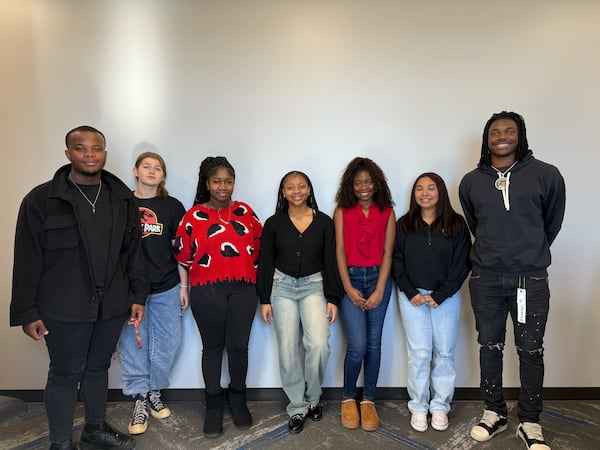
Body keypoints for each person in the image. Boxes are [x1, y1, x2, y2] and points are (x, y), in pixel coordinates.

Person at [10, 126, 148, 450]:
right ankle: (60, 443)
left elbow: (134, 252)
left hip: (111, 304)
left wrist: (138, 295)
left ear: (105, 153)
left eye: (96, 148)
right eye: (81, 148)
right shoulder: (41, 200)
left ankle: (94, 430)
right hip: (63, 307)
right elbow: (27, 259)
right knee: (64, 373)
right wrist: (27, 311)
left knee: (98, 368)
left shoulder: (121, 198)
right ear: (68, 153)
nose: (89, 154)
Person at [459, 111, 565, 450]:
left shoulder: (546, 175)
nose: (501, 136)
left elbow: (551, 223)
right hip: (486, 278)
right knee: (489, 347)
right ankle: (494, 412)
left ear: (521, 135)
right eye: (495, 132)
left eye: (509, 130)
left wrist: (527, 253)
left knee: (530, 350)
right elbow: (477, 224)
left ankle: (530, 421)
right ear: (486, 138)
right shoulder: (471, 181)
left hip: (529, 280)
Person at [173, 156, 262, 438]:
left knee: (238, 347)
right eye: (217, 181)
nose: (223, 186)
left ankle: (237, 398)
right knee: (212, 348)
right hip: (206, 290)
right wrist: (184, 289)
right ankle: (213, 404)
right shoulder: (192, 216)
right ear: (207, 184)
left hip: (244, 289)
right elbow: (182, 256)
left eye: (228, 180)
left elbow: (261, 248)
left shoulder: (246, 212)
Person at [257, 171, 343, 434]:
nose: (296, 191)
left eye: (301, 186)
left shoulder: (324, 222)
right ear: (283, 192)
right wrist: (264, 298)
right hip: (281, 287)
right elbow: (266, 262)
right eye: (290, 187)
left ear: (309, 190)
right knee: (287, 348)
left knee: (318, 344)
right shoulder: (273, 223)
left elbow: (331, 260)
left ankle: (313, 397)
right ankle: (297, 406)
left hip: (314, 286)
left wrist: (333, 297)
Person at [392, 172, 471, 433]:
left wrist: (440, 295)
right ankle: (418, 406)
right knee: (420, 353)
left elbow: (462, 264)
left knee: (445, 353)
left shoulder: (457, 224)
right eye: (419, 188)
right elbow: (396, 260)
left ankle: (439, 407)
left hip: (445, 298)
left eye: (431, 188)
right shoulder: (404, 224)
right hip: (411, 297)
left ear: (440, 192)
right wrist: (411, 291)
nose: (425, 193)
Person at [118, 152, 189, 435]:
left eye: (157, 168)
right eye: (146, 166)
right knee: (133, 344)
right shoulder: (122, 203)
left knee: (168, 342)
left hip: (166, 285)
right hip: (130, 289)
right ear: (135, 170)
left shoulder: (172, 206)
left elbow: (180, 250)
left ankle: (154, 391)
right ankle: (139, 398)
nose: (151, 171)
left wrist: (184, 286)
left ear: (163, 175)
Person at [334, 156, 396, 432]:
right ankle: (349, 396)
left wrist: (381, 288)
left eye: (368, 181)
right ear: (350, 185)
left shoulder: (387, 212)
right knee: (357, 345)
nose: (363, 187)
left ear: (377, 183)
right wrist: (348, 288)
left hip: (378, 278)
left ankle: (368, 399)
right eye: (358, 182)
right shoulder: (342, 211)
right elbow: (340, 251)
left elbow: (387, 253)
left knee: (374, 344)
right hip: (351, 278)